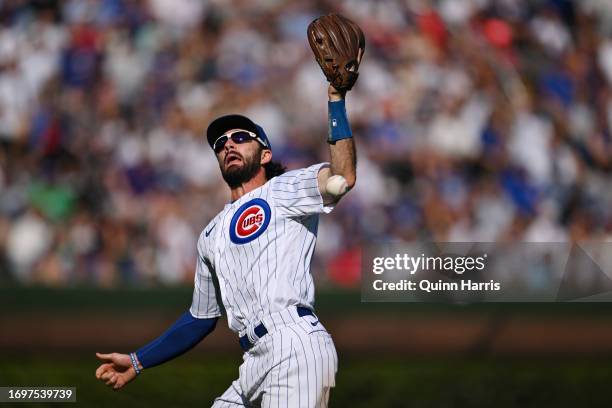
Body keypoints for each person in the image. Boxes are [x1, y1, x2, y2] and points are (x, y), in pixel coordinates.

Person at [94, 83, 357, 407]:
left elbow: (343, 176)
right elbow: (201, 318)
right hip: (253, 361)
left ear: (265, 153)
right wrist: (138, 360)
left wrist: (336, 102)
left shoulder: (283, 190)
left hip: (294, 341)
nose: (229, 144)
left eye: (241, 137)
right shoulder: (210, 234)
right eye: (220, 143)